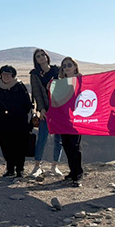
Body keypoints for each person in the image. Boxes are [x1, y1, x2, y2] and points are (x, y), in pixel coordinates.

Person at [0, 65, 33, 178]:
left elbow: (27, 104)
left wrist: (28, 120)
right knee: (5, 146)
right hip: (2, 121)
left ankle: (20, 169)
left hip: (19, 121)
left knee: (19, 146)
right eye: (3, 74)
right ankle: (10, 169)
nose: (6, 76)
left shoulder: (20, 86)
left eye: (8, 74)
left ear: (13, 75)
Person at [29, 48, 63, 178]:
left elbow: (65, 86)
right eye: (38, 56)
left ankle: (54, 166)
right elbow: (36, 92)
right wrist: (41, 109)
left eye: (43, 55)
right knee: (42, 137)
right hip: (45, 110)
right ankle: (37, 166)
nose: (41, 57)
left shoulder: (56, 70)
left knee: (58, 138)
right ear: (36, 60)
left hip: (59, 109)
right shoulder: (35, 74)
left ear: (47, 56)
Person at [58, 57, 84, 187]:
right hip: (64, 119)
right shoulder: (61, 83)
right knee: (66, 145)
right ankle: (72, 171)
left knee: (74, 145)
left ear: (75, 66)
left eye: (69, 65)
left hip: (77, 118)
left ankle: (78, 173)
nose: (67, 67)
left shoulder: (81, 80)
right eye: (64, 66)